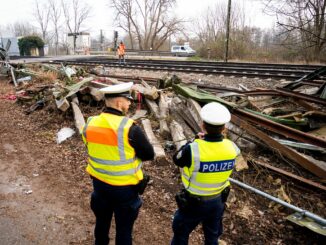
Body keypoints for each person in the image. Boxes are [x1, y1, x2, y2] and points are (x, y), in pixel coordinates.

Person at [81, 82, 154, 245]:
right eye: (128, 100)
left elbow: (89, 145)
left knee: (101, 223)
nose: (130, 103)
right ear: (119, 102)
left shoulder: (90, 123)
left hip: (99, 185)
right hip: (125, 190)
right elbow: (149, 154)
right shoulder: (129, 128)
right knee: (124, 230)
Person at [171, 102, 240, 245]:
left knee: (181, 234)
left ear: (202, 125)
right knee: (212, 237)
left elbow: (177, 159)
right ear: (224, 128)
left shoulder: (193, 148)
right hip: (218, 201)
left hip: (194, 203)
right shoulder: (232, 147)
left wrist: (193, 141)